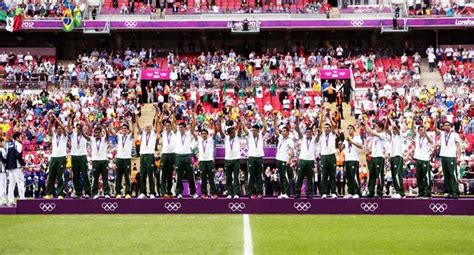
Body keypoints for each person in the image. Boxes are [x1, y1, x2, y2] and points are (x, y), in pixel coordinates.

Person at [241, 114, 267, 199]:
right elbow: (244, 128)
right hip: (251, 157)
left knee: (259, 176)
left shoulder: (260, 135)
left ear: (258, 130)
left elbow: (265, 129)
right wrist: (242, 122)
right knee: (251, 176)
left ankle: (259, 193)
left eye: (254, 130)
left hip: (259, 157)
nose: (253, 132)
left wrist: (263, 121)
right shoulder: (249, 135)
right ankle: (250, 193)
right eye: (252, 130)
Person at [218, 115, 243, 199]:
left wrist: (239, 122)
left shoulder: (238, 138)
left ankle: (236, 193)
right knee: (228, 177)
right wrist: (220, 121)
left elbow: (239, 130)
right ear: (229, 133)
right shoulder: (226, 138)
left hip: (236, 160)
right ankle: (229, 193)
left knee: (236, 177)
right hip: (227, 160)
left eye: (234, 132)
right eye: (232, 132)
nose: (234, 133)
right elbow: (220, 131)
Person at [109, 118, 135, 199]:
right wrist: (110, 123)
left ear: (127, 130)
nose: (124, 129)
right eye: (123, 128)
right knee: (118, 176)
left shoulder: (130, 136)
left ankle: (128, 193)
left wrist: (131, 123)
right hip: (119, 158)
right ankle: (118, 193)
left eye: (125, 128)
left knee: (127, 176)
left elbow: (133, 132)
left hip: (127, 159)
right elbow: (111, 131)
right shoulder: (119, 136)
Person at [435, 120, 461, 199]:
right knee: (446, 175)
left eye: (448, 125)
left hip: (451, 156)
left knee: (453, 174)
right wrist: (436, 120)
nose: (447, 126)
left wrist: (458, 156)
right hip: (443, 156)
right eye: (445, 125)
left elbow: (458, 146)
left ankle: (455, 191)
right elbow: (435, 129)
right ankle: (449, 191)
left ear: (451, 126)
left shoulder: (455, 135)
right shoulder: (442, 134)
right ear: (443, 127)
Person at [86, 118, 111, 199]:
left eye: (98, 132)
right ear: (94, 133)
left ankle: (106, 193)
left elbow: (108, 135)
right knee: (95, 178)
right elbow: (85, 136)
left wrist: (104, 128)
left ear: (101, 133)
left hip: (104, 161)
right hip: (95, 161)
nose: (97, 134)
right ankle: (94, 193)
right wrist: (82, 131)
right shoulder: (92, 139)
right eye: (96, 132)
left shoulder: (104, 139)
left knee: (105, 178)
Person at [45, 112, 68, 199]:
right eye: (57, 129)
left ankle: (60, 194)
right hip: (53, 157)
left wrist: (55, 118)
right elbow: (49, 129)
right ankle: (49, 193)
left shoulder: (64, 136)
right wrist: (51, 120)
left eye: (60, 129)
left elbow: (64, 128)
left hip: (61, 157)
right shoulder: (54, 136)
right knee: (51, 175)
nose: (59, 130)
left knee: (60, 176)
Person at [136, 111, 160, 199]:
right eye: (146, 128)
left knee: (150, 175)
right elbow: (138, 127)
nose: (147, 129)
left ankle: (152, 192)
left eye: (149, 127)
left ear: (151, 128)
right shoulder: (143, 134)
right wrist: (136, 116)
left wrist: (157, 115)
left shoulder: (153, 134)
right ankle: (143, 192)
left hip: (150, 155)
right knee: (143, 174)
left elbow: (156, 124)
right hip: (142, 155)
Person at [174, 118, 198, 199]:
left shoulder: (188, 134)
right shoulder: (176, 133)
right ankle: (179, 193)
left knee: (190, 175)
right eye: (179, 127)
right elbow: (173, 123)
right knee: (179, 176)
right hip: (178, 156)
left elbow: (193, 127)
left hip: (187, 156)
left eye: (182, 127)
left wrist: (193, 117)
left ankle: (193, 192)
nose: (180, 128)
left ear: (185, 128)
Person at [294, 119, 318, 199]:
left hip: (310, 161)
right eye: (307, 132)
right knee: (299, 177)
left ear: (312, 133)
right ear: (306, 133)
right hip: (302, 160)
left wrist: (319, 132)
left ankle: (310, 193)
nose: (308, 134)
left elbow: (318, 137)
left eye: (310, 132)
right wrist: (297, 126)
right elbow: (299, 132)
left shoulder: (314, 139)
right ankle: (297, 193)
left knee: (310, 178)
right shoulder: (303, 138)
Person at [68, 118, 91, 198]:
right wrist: (69, 119)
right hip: (74, 156)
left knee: (85, 175)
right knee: (75, 175)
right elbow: (68, 128)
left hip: (83, 156)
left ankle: (87, 192)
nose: (79, 128)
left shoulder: (84, 135)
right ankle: (78, 192)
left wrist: (86, 119)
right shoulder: (72, 134)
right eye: (77, 127)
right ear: (75, 127)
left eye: (80, 127)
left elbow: (90, 129)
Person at [363, 120, 387, 198]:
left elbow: (371, 132)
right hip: (373, 157)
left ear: (380, 128)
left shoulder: (383, 134)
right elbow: (368, 131)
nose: (375, 127)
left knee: (379, 175)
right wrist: (364, 125)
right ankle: (371, 192)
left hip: (379, 157)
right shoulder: (375, 135)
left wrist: (366, 123)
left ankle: (379, 192)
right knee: (372, 175)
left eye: (376, 126)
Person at [274, 115, 295, 199]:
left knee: (286, 177)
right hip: (278, 159)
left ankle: (286, 193)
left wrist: (289, 160)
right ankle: (282, 192)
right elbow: (275, 131)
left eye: (284, 131)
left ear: (287, 132)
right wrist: (274, 122)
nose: (282, 132)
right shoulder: (280, 138)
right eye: (282, 131)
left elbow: (292, 151)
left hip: (284, 160)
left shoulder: (290, 140)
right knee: (281, 177)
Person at [341, 124, 363, 199]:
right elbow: (341, 148)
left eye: (351, 128)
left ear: (354, 130)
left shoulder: (357, 138)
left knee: (354, 176)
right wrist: (341, 140)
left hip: (354, 159)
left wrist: (352, 142)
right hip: (347, 159)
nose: (349, 129)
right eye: (348, 128)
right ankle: (350, 192)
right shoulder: (346, 139)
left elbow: (361, 146)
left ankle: (357, 192)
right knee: (348, 176)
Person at [412, 124, 433, 198]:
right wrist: (413, 121)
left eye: (423, 129)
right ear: (418, 131)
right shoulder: (417, 137)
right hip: (417, 159)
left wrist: (426, 134)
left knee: (426, 176)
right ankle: (421, 193)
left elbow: (431, 141)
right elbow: (412, 129)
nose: (422, 131)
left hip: (425, 159)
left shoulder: (428, 136)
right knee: (419, 177)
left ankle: (428, 193)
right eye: (420, 130)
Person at [319, 116, 338, 199]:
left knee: (332, 175)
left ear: (330, 129)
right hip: (323, 156)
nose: (326, 129)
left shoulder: (333, 134)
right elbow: (319, 127)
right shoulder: (321, 135)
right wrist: (321, 117)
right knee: (324, 175)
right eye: (325, 127)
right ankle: (324, 193)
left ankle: (333, 192)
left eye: (328, 127)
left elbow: (334, 127)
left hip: (331, 155)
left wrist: (329, 117)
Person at [158, 115, 176, 198]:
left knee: (170, 175)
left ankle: (169, 191)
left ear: (171, 126)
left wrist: (173, 114)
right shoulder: (163, 132)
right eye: (166, 126)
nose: (168, 127)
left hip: (172, 154)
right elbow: (160, 123)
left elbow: (174, 122)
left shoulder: (175, 133)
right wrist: (160, 114)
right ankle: (163, 191)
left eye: (169, 125)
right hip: (164, 154)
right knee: (163, 174)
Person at [197, 125, 218, 199]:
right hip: (202, 161)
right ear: (201, 135)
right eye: (202, 134)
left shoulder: (211, 140)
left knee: (211, 178)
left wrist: (215, 124)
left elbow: (215, 132)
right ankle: (204, 193)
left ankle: (213, 193)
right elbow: (192, 132)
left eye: (205, 133)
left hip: (209, 161)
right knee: (203, 179)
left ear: (207, 134)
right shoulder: (199, 140)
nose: (203, 135)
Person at [5, 131, 25, 205]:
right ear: (17, 137)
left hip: (10, 167)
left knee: (11, 184)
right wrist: (24, 164)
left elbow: (6, 156)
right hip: (17, 166)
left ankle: (10, 201)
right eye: (21, 136)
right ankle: (22, 199)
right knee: (20, 182)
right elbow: (18, 156)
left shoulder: (9, 145)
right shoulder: (18, 145)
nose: (22, 138)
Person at [388, 120, 406, 199]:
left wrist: (389, 118)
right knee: (393, 175)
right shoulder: (393, 137)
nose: (393, 130)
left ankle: (401, 193)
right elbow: (387, 130)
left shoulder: (400, 135)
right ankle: (397, 191)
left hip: (398, 156)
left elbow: (394, 126)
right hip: (393, 157)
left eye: (394, 129)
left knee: (397, 174)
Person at [0, 138, 7, 206]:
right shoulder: (2, 150)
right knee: (3, 186)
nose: (3, 143)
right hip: (2, 170)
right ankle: (3, 201)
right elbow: (5, 159)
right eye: (3, 142)